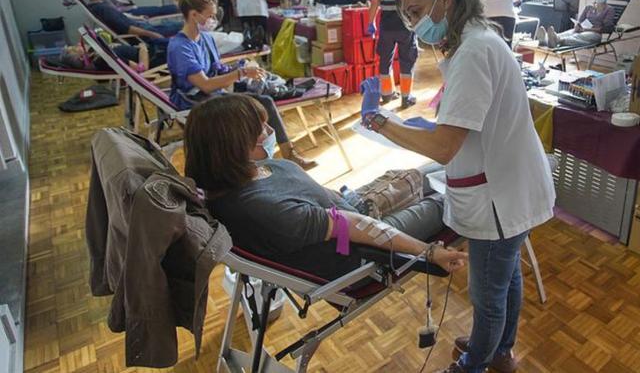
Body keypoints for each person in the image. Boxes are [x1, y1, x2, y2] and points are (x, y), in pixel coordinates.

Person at [361, 0, 555, 373]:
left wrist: (385, 125)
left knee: (488, 295)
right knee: (506, 280)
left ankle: (474, 363)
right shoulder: (479, 41)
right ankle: (500, 349)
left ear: (445, 0)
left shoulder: (474, 52)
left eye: (416, 11)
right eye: (407, 16)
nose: (414, 24)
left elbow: (445, 147)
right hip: (510, 182)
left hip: (500, 196)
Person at [184, 94, 468, 280]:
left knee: (429, 172)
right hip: (366, 244)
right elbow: (353, 226)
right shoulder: (262, 209)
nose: (271, 134)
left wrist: (354, 201)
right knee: (455, 194)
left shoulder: (249, 171)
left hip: (355, 209)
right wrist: (430, 252)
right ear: (235, 145)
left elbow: (326, 200)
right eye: (262, 131)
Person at [166, 0, 316, 169]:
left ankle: (288, 154)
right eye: (210, 16)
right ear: (194, 15)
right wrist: (241, 73)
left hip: (213, 94)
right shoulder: (180, 47)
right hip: (194, 100)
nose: (213, 20)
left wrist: (243, 66)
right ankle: (250, 164)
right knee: (249, 110)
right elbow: (204, 85)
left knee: (265, 102)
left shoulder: (205, 39)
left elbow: (217, 68)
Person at [367, 0, 418, 108]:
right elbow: (418, 1)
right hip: (406, 24)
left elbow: (374, 2)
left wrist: (371, 22)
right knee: (407, 60)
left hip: (387, 25)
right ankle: (406, 97)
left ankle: (387, 94)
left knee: (385, 59)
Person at [81, 0, 182, 58]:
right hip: (143, 33)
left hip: (142, 27)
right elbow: (126, 28)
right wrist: (152, 34)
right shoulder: (103, 9)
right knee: (182, 26)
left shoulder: (100, 6)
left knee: (175, 24)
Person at [540, 0, 615, 49]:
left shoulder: (609, 9)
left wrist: (586, 30)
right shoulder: (589, 7)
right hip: (582, 30)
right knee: (567, 33)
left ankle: (558, 40)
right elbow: (580, 21)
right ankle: (545, 40)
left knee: (577, 37)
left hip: (595, 34)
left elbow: (606, 29)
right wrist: (577, 26)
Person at [58, 39, 151, 72]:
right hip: (154, 57)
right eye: (75, 48)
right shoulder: (103, 59)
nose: (79, 44)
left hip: (149, 51)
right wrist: (143, 49)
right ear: (81, 57)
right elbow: (142, 68)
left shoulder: (98, 57)